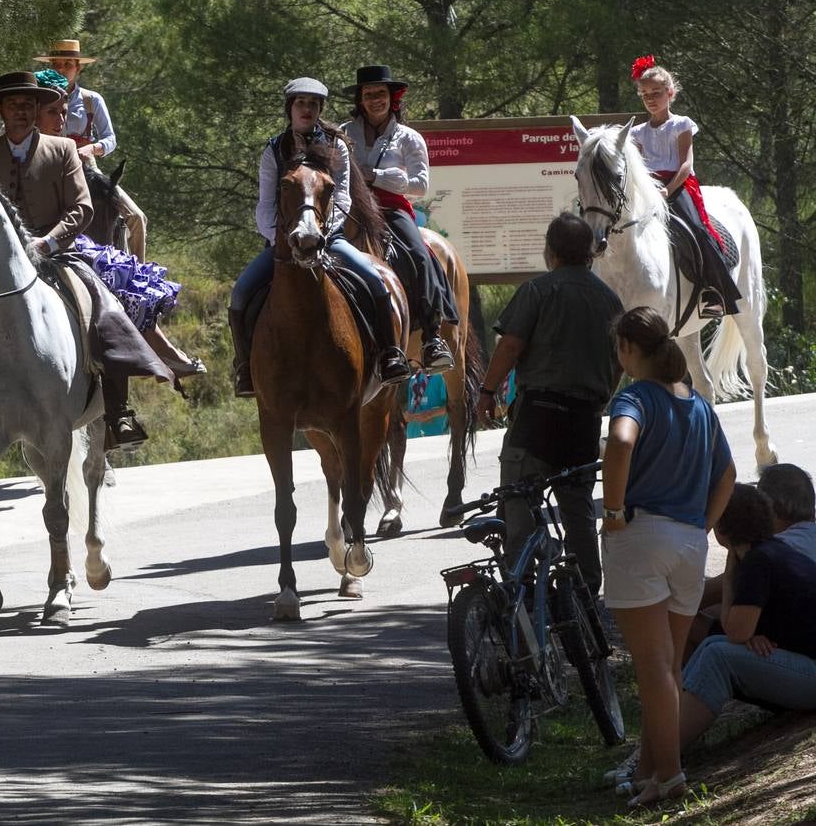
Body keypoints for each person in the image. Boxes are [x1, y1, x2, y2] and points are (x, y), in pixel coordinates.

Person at [0, 72, 174, 459]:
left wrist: (47, 241)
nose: (21, 110)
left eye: (28, 104)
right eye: (13, 104)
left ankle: (119, 412)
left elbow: (81, 208)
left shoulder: (63, 148)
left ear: (37, 110)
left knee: (101, 303)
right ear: (0, 110)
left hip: (58, 252)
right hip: (1, 262)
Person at [600, 305, 736, 807]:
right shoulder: (699, 406)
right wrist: (702, 525)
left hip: (641, 539)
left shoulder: (634, 396)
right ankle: (651, 771)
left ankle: (671, 775)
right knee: (670, 669)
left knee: (654, 670)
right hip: (689, 545)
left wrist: (613, 511)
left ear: (629, 349)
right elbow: (728, 476)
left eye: (619, 348)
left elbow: (619, 441)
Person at [228, 76, 411, 397]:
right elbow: (265, 204)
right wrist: (281, 239)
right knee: (241, 292)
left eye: (313, 104)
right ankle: (245, 367)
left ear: (320, 108)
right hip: (285, 244)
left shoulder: (336, 144)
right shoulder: (273, 149)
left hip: (330, 238)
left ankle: (390, 355)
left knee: (376, 280)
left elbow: (342, 196)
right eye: (301, 103)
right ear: (290, 108)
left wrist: (325, 234)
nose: (307, 109)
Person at [476, 212, 624, 592]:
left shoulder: (538, 290)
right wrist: (601, 398)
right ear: (590, 254)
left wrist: (487, 391)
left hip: (537, 418)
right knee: (577, 511)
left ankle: (520, 591)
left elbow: (510, 345)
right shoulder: (609, 300)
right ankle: (586, 594)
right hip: (585, 418)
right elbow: (620, 360)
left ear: (551, 251)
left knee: (518, 502)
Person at [34, 71, 204, 380]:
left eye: (62, 112)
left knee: (130, 231)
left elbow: (106, 146)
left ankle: (151, 362)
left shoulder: (88, 104)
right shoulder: (19, 148)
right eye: (53, 112)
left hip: (85, 183)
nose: (61, 119)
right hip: (44, 233)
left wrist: (93, 150)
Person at [676, 484, 816, 767]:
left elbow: (735, 631)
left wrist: (729, 577)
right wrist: (747, 637)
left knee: (718, 655)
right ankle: (661, 742)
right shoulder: (771, 551)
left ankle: (658, 755)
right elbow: (742, 632)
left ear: (722, 531)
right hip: (803, 663)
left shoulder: (757, 561)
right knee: (714, 645)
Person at [341, 65, 457, 373]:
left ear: (392, 98)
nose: (375, 100)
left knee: (420, 255)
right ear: (360, 100)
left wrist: (375, 176)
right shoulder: (343, 134)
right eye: (368, 95)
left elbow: (421, 185)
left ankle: (432, 337)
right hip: (350, 209)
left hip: (391, 210)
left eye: (381, 94)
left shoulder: (409, 138)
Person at [630, 55, 742, 319]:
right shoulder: (637, 133)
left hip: (677, 186)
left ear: (670, 93)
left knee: (697, 230)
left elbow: (685, 164)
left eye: (656, 92)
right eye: (645, 94)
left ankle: (714, 292)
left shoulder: (681, 124)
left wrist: (667, 190)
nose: (650, 98)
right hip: (649, 189)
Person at [686, 462, 816, 660]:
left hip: (799, 656)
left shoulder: (771, 552)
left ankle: (677, 685)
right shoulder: (795, 543)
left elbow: (691, 601)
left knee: (680, 618)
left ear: (765, 507)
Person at [34, 39, 149, 260]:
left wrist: (92, 149)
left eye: (68, 64)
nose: (61, 69)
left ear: (78, 68)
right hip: (48, 169)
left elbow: (110, 138)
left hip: (87, 169)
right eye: (56, 64)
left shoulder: (91, 100)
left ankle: (136, 274)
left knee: (136, 217)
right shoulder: (37, 100)